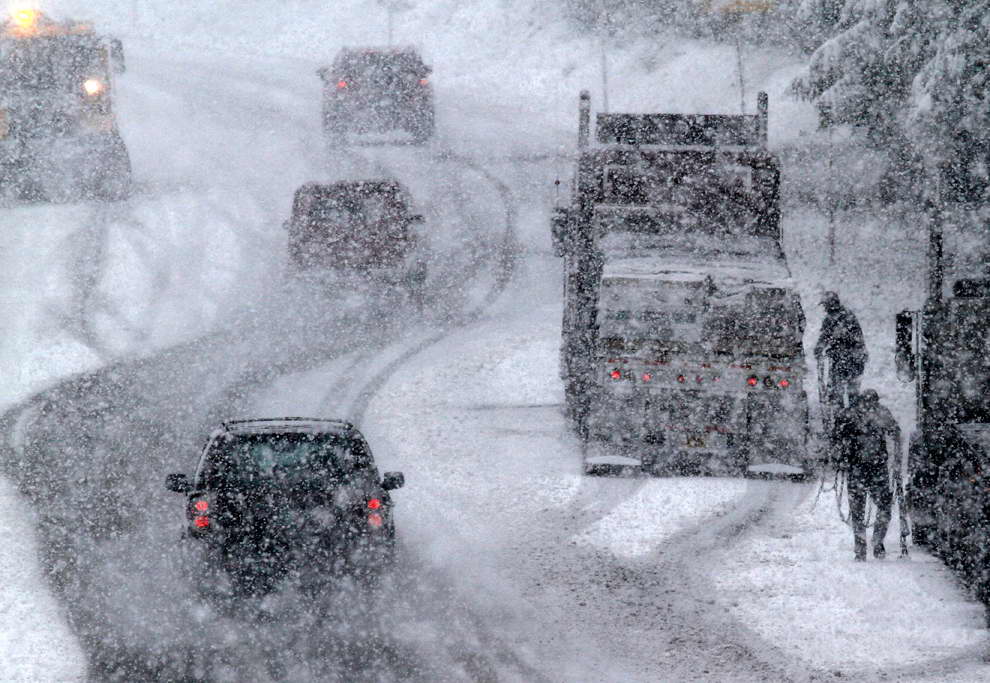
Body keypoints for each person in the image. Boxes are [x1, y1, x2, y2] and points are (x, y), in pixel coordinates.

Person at [832, 389, 902, 561]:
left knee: (858, 510)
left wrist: (839, 458)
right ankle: (874, 543)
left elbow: (836, 438)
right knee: (881, 507)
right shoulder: (880, 413)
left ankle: (863, 546)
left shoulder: (850, 414)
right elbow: (896, 433)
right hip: (874, 468)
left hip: (860, 468)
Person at [814, 291, 868, 431]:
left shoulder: (838, 318)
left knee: (839, 392)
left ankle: (843, 423)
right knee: (848, 392)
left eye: (825, 305)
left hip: (847, 360)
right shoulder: (847, 316)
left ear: (831, 304)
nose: (825, 308)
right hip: (852, 360)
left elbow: (827, 337)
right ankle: (850, 422)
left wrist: (820, 349)